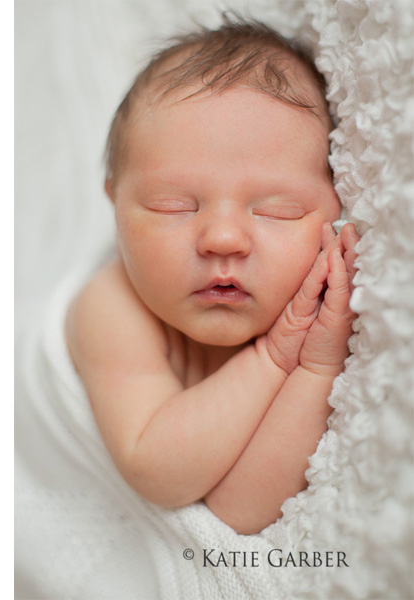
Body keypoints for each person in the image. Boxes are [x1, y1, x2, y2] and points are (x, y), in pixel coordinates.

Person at [65, 16, 360, 535]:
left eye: (278, 210)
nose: (223, 238)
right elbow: (158, 469)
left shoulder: (311, 304)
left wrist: (317, 367)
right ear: (114, 202)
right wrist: (273, 359)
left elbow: (237, 511)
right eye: (171, 205)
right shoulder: (109, 307)